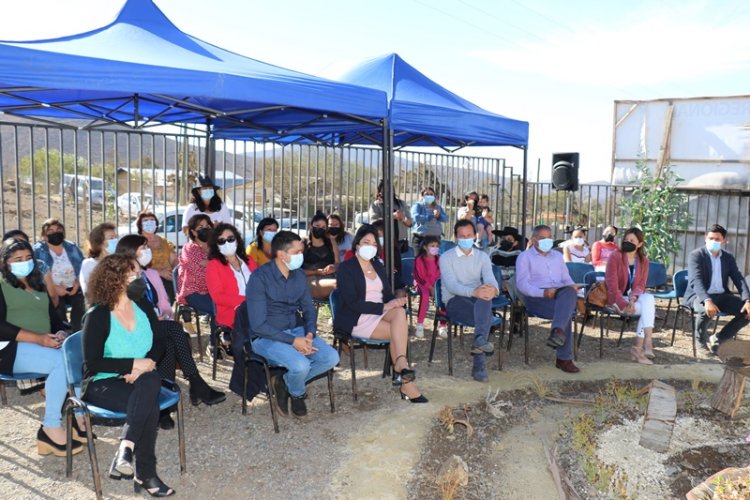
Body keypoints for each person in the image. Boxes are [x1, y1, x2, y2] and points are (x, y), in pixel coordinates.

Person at [82, 254, 174, 496]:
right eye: (133, 274)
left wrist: (148, 363)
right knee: (149, 398)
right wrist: (131, 365)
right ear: (115, 279)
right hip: (104, 382)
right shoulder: (97, 315)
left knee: (150, 385)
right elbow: (92, 362)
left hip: (144, 376)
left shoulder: (141, 304)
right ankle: (145, 474)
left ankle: (126, 448)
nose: (139, 278)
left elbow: (160, 340)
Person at [116, 235, 225, 427]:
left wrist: (161, 316)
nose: (147, 251)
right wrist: (155, 319)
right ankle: (196, 382)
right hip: (133, 331)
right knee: (175, 330)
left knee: (169, 341)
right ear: (129, 252)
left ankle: (163, 406)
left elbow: (165, 305)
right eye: (143, 248)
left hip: (156, 324)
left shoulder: (150, 274)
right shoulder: (123, 278)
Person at [0, 239, 84, 457]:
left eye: (28, 258)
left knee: (76, 356)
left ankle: (78, 416)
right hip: (10, 348)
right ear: (5, 263)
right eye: (17, 259)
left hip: (43, 344)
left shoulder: (37, 283)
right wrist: (37, 338)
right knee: (60, 362)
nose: (25, 263)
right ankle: (50, 427)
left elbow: (54, 318)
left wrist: (61, 332)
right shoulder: (1, 284)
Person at [245, 231, 340, 418]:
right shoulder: (259, 278)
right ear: (282, 255)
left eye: (301, 251)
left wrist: (310, 334)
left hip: (296, 330)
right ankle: (297, 393)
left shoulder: (298, 276)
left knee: (331, 358)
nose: (301, 256)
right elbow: (258, 325)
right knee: (301, 365)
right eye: (297, 252)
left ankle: (284, 382)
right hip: (266, 337)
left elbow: (309, 309)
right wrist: (293, 341)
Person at [335, 225, 427, 402]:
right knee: (398, 332)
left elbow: (385, 295)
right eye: (366, 242)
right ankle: (404, 377)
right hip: (357, 318)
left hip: (380, 312)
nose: (371, 246)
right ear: (357, 244)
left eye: (374, 244)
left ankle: (400, 367)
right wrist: (386, 307)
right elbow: (352, 303)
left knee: (399, 313)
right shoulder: (347, 268)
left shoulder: (377, 264)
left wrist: (395, 301)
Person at [439, 220, 500, 382]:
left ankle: (479, 342)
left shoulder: (482, 256)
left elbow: (490, 278)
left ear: (475, 236)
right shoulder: (446, 257)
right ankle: (479, 364)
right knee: (484, 315)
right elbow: (451, 286)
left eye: (469, 235)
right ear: (456, 237)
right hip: (454, 300)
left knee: (486, 298)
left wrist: (493, 290)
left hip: (477, 298)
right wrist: (475, 291)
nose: (466, 239)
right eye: (462, 236)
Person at [515, 224, 581, 373]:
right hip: (536, 298)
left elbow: (566, 279)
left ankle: (557, 331)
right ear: (533, 240)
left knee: (569, 293)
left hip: (559, 295)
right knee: (566, 311)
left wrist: (574, 286)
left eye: (549, 237)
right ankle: (563, 358)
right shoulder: (524, 257)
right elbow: (522, 285)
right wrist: (543, 293)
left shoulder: (557, 256)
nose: (547, 241)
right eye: (542, 238)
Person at [684, 224, 750, 353]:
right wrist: (707, 300)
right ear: (705, 239)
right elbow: (695, 280)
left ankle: (719, 338)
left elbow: (738, 278)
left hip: (722, 295)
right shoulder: (696, 255)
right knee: (706, 309)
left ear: (724, 241)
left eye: (717, 239)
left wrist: (747, 300)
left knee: (747, 313)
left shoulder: (728, 258)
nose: (713, 241)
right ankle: (700, 340)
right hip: (699, 295)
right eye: (710, 238)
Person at [604, 228, 656, 364]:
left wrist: (633, 299)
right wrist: (624, 304)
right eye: (626, 240)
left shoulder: (644, 260)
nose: (628, 242)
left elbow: (641, 285)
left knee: (648, 299)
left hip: (633, 299)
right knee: (646, 309)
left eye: (632, 240)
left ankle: (644, 344)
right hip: (616, 298)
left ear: (639, 244)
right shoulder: (615, 256)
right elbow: (612, 285)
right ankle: (641, 347)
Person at [32, 219, 85, 331]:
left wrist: (78, 282)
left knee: (81, 303)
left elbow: (82, 266)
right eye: (50, 231)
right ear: (44, 236)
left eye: (58, 230)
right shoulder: (37, 251)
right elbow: (35, 274)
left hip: (73, 288)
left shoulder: (72, 247)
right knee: (55, 305)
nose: (55, 233)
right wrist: (54, 289)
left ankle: (77, 333)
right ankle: (62, 333)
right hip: (51, 289)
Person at [207, 223, 257, 330]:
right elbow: (218, 297)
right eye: (221, 241)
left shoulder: (249, 260)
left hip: (257, 307)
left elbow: (261, 284)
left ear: (237, 240)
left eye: (230, 239)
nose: (227, 243)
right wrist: (247, 301)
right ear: (216, 245)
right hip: (232, 312)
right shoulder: (213, 266)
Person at [176, 214, 216, 341]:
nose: (205, 229)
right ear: (193, 231)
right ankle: (213, 344)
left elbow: (214, 266)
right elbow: (200, 271)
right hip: (193, 292)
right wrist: (214, 263)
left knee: (230, 306)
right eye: (200, 227)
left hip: (212, 290)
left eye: (207, 226)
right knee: (218, 310)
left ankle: (225, 340)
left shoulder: (214, 248)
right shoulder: (189, 248)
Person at [3, 229, 58, 308]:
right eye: (14, 244)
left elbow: (53, 297)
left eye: (23, 243)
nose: (20, 247)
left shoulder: (40, 266)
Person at [136, 212, 178, 304]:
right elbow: (137, 265)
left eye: (152, 220)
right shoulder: (137, 243)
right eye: (146, 220)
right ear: (140, 225)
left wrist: (174, 273)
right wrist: (159, 273)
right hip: (148, 279)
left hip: (168, 277)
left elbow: (174, 259)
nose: (149, 222)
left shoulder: (164, 241)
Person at [413, 235, 447, 339]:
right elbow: (419, 277)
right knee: (425, 294)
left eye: (437, 246)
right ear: (425, 247)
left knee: (444, 295)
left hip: (435, 284)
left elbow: (442, 274)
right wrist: (430, 288)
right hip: (421, 283)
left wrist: (436, 287)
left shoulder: (439, 259)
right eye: (432, 245)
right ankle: (419, 324)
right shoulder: (419, 260)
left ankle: (442, 326)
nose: (435, 248)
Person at [368, 179, 412, 253]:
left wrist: (403, 218)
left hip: (400, 242)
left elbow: (410, 223)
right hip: (383, 242)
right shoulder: (375, 205)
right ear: (380, 191)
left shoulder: (401, 203)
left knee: (398, 264)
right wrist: (392, 216)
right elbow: (373, 223)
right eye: (384, 189)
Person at [302, 212, 339, 301]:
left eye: (323, 227)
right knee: (338, 285)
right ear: (311, 226)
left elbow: (338, 263)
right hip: (310, 280)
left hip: (330, 277)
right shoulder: (302, 243)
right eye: (317, 225)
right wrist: (315, 272)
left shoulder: (331, 242)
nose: (320, 229)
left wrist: (334, 267)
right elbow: (295, 271)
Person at [80, 222, 117, 297]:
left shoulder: (118, 262)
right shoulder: (89, 264)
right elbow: (88, 292)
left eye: (115, 237)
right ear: (100, 242)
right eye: (111, 238)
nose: (115, 240)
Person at [410, 186, 448, 253]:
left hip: (435, 241)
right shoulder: (418, 205)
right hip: (421, 239)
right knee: (420, 260)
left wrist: (439, 215)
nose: (429, 196)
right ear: (422, 196)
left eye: (431, 194)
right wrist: (430, 216)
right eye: (427, 194)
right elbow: (415, 217)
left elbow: (445, 219)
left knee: (433, 260)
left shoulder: (437, 207)